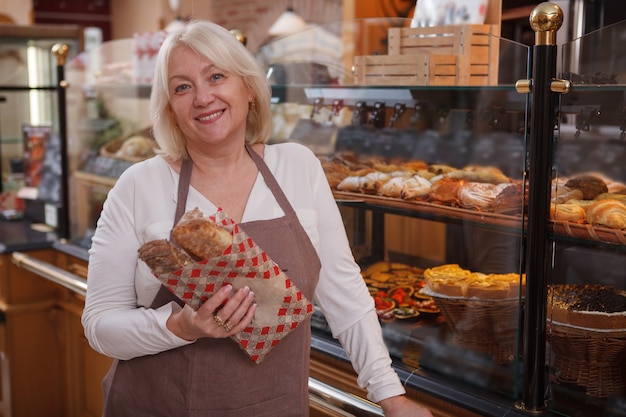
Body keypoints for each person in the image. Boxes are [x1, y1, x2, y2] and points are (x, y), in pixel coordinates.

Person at [81, 19, 434, 417]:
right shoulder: (139, 185)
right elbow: (100, 325)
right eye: (182, 87)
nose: (202, 97)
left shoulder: (297, 167)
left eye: (216, 76)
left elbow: (345, 295)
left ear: (248, 88)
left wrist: (390, 395)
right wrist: (181, 327)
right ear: (170, 109)